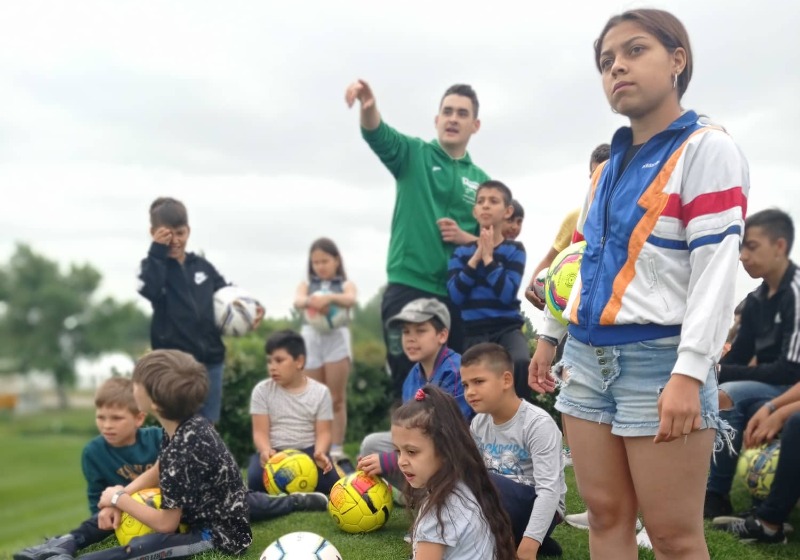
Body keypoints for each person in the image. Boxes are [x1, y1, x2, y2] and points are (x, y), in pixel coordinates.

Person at [528, 9, 749, 559]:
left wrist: (690, 370)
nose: (617, 68)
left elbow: (717, 273)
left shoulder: (707, 148)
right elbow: (580, 259)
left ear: (678, 60)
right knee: (606, 517)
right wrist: (550, 334)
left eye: (634, 51)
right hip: (583, 358)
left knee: (673, 536)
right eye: (606, 62)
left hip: (661, 362)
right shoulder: (606, 169)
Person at [345, 79, 489, 398]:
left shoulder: (481, 182)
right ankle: (405, 449)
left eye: (462, 114)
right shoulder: (413, 154)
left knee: (453, 391)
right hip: (408, 286)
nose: (453, 118)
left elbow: (493, 243)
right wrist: (368, 108)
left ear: (475, 125)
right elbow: (377, 132)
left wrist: (467, 237)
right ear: (436, 120)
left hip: (454, 296)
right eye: (447, 111)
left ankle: (451, 449)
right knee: (408, 387)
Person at [45, 350, 253, 560]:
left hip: (219, 535)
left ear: (154, 403)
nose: (132, 386)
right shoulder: (182, 425)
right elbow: (157, 470)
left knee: (146, 547)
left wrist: (119, 498)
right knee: (146, 538)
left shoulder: (182, 451)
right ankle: (65, 544)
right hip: (195, 519)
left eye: (137, 384)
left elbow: (166, 524)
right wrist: (117, 498)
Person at [704, 208, 800, 519]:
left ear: (780, 246)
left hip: (790, 388)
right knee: (709, 385)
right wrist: (711, 370)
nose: (743, 256)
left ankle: (715, 493)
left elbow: (791, 368)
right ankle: (704, 490)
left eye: (752, 247)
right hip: (770, 384)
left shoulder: (795, 293)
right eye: (741, 248)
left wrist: (724, 373)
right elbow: (741, 355)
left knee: (727, 391)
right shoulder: (758, 297)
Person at [136, 197, 262, 423]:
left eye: (180, 233)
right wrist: (157, 251)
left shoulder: (202, 266)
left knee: (207, 427)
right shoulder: (152, 266)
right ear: (154, 233)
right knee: (178, 426)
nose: (175, 240)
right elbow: (149, 290)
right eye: (167, 235)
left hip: (211, 361)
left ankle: (205, 460)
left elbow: (228, 294)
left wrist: (253, 310)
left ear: (188, 231)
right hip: (174, 366)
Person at [13, 378, 162, 560]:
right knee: (99, 520)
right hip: (116, 512)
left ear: (139, 418)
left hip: (158, 507)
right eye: (101, 417)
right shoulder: (93, 452)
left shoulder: (158, 439)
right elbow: (96, 497)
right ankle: (64, 543)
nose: (107, 425)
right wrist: (107, 510)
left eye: (116, 418)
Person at [463, 343, 567, 559]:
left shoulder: (537, 424)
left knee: (483, 481)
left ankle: (528, 539)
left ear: (506, 380)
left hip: (539, 507)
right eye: (465, 385)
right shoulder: (479, 423)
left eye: (478, 382)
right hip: (498, 504)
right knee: (461, 476)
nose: (470, 392)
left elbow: (549, 491)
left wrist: (528, 548)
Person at [391, 384, 517, 560]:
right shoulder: (468, 486)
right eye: (398, 451)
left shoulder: (438, 514)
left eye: (411, 452)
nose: (401, 461)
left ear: (444, 450)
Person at [357, 298, 471, 489]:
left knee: (390, 455)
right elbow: (407, 428)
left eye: (420, 331)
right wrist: (390, 454)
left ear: (442, 335)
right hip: (421, 447)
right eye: (406, 332)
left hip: (457, 451)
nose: (410, 338)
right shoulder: (412, 376)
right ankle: (414, 494)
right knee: (371, 445)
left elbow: (452, 434)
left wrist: (390, 461)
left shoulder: (456, 371)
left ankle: (439, 496)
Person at [447, 180, 530, 401]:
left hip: (506, 328)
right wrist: (475, 258)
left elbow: (507, 294)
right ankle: (474, 430)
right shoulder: (461, 253)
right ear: (474, 211)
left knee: (520, 363)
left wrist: (488, 258)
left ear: (507, 211)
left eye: (493, 201)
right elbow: (455, 295)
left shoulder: (514, 250)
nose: (485, 206)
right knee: (471, 379)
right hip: (473, 331)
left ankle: (521, 420)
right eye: (481, 201)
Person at [247, 330, 340, 495]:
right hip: (275, 453)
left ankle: (339, 466)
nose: (272, 367)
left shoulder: (320, 392)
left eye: (279, 360)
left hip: (308, 452)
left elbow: (324, 432)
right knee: (254, 479)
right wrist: (265, 450)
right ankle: (303, 498)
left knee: (331, 482)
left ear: (299, 361)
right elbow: (260, 432)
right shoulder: (261, 391)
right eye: (269, 361)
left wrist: (320, 452)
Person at [525, 143, 610, 311]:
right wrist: (531, 288)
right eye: (596, 175)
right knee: (546, 338)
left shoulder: (632, 217)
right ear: (590, 177)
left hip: (609, 308)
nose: (601, 181)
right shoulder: (576, 217)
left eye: (607, 174)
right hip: (571, 307)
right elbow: (552, 258)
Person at [294, 237, 357, 461]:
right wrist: (314, 301)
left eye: (325, 261)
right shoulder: (307, 284)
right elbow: (298, 301)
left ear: (336, 260)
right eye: (316, 262)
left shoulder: (344, 284)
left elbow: (350, 299)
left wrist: (329, 298)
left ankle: (337, 447)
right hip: (311, 338)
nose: (320, 266)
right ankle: (315, 446)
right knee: (313, 397)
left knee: (336, 398)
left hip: (336, 339)